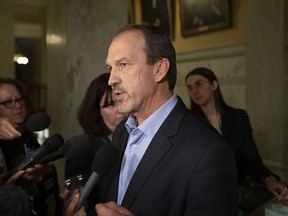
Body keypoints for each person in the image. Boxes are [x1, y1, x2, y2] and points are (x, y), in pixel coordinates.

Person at [66, 24, 239, 216]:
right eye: (110, 68)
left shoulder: (209, 152)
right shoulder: (123, 130)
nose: (111, 79)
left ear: (160, 69)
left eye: (123, 64)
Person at [185, 67, 288, 207]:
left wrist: (269, 181)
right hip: (203, 196)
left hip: (237, 191)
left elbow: (251, 159)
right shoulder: (189, 123)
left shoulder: (239, 117)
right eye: (190, 87)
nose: (194, 91)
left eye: (199, 84)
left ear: (214, 85)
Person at [64, 73, 126, 215]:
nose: (120, 110)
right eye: (110, 105)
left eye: (121, 100)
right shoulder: (82, 149)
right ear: (97, 111)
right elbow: (75, 201)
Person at [0, 77, 63, 216]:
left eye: (19, 99)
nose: (17, 105)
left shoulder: (27, 134)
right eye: (7, 102)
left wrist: (45, 170)